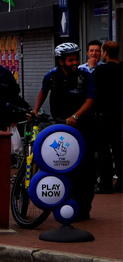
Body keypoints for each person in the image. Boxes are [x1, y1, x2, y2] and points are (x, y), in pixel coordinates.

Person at [31, 43, 97, 220]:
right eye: (70, 60)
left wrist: (75, 116)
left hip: (82, 127)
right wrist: (36, 110)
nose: (75, 62)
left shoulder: (85, 76)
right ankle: (63, 203)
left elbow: (90, 100)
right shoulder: (51, 76)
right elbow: (43, 91)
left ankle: (83, 208)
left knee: (85, 168)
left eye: (76, 59)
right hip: (60, 127)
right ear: (61, 61)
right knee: (61, 165)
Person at [92, 41, 122, 193]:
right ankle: (121, 182)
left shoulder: (100, 71)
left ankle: (105, 183)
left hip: (103, 115)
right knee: (118, 148)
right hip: (119, 114)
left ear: (105, 52)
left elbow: (93, 90)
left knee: (103, 149)